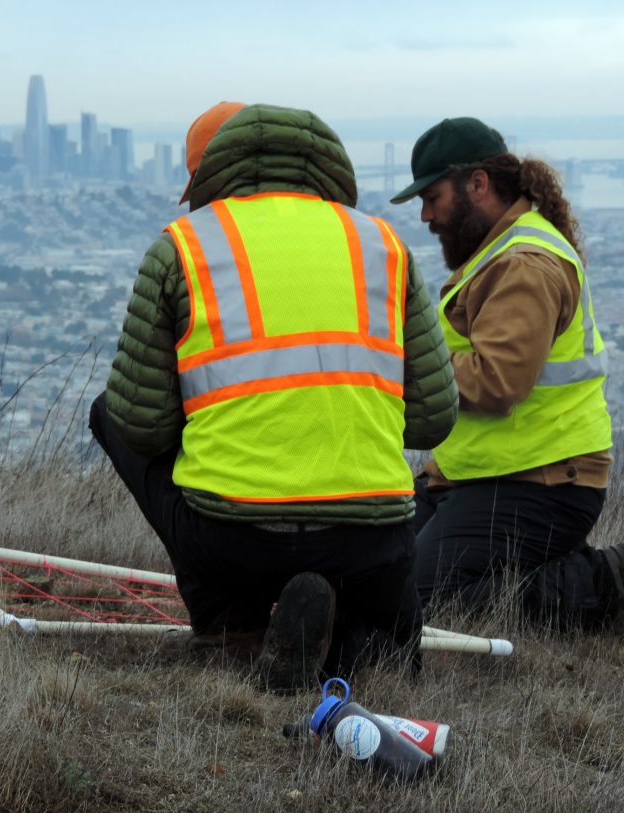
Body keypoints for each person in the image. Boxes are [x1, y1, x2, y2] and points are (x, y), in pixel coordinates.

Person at [88, 102, 458, 693]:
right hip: (372, 538)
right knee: (384, 655)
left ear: (211, 174)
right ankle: (354, 638)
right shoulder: (384, 244)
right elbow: (433, 417)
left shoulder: (184, 246)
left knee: (110, 411)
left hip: (233, 539)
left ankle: (229, 626)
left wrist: (214, 417)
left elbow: (142, 425)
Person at [390, 116, 624, 638]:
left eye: (432, 196)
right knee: (379, 571)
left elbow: (497, 381)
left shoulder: (524, 265)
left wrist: (402, 360)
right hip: (483, 477)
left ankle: (598, 582)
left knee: (420, 594)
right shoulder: (496, 254)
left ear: (477, 184)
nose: (425, 215)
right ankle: (529, 563)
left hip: (546, 483)